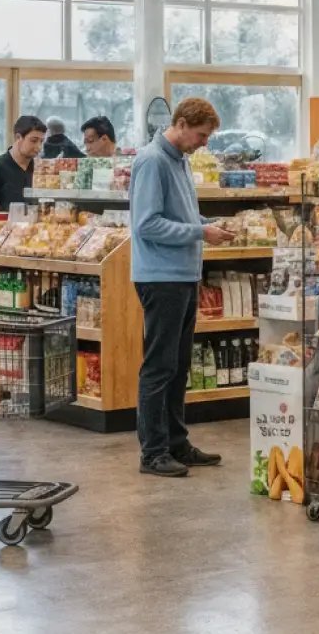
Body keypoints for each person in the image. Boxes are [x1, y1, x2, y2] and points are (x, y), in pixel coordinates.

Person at [130, 98, 235, 478]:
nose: (204, 143)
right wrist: (199, 232)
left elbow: (181, 215)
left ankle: (176, 443)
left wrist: (208, 224)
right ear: (182, 123)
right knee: (159, 367)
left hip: (183, 275)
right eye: (202, 135)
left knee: (178, 367)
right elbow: (146, 224)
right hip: (161, 277)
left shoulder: (180, 161)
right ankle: (153, 453)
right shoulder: (152, 161)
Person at [0, 116, 47, 214]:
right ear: (18, 137)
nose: (39, 147)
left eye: (41, 141)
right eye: (33, 141)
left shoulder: (41, 169)